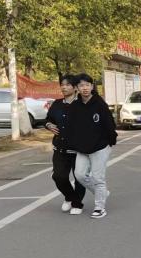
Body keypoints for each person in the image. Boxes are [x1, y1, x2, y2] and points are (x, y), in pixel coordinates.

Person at [67, 74, 118, 219]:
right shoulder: (75, 106)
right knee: (79, 175)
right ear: (77, 88)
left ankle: (99, 207)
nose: (85, 88)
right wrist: (73, 143)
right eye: (81, 85)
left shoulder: (99, 104)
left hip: (100, 147)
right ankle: (102, 193)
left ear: (92, 86)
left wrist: (111, 141)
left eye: (87, 85)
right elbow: (71, 127)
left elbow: (110, 124)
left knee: (98, 178)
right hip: (82, 148)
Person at [45, 74, 86, 216]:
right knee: (58, 176)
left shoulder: (82, 104)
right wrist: (49, 125)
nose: (64, 87)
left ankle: (77, 204)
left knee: (79, 178)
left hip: (79, 150)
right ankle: (70, 197)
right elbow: (48, 119)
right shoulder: (57, 104)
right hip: (60, 148)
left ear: (75, 88)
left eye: (68, 85)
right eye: (62, 85)